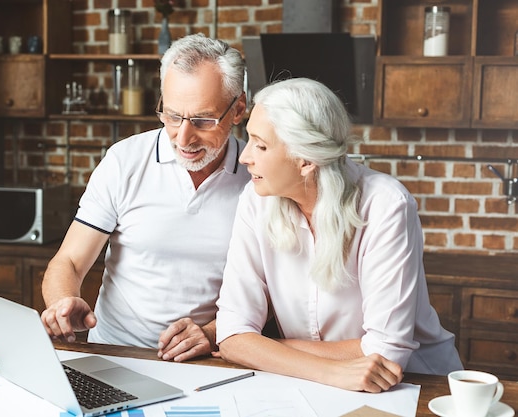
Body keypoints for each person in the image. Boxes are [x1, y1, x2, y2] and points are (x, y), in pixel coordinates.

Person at [215, 78, 463, 392]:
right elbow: (232, 337)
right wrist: (330, 371)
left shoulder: (386, 205)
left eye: (261, 145)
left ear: (305, 160)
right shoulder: (254, 201)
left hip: (419, 386)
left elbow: (385, 353)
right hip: (320, 385)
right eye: (248, 140)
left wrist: (267, 347)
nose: (244, 156)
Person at [41, 34, 249, 362]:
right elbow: (68, 262)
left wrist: (209, 333)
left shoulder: (259, 177)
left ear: (238, 110)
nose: (183, 137)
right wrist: (62, 302)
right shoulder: (125, 161)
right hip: (113, 353)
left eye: (203, 120)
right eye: (172, 115)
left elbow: (269, 299)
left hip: (208, 360)